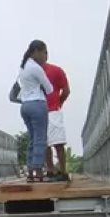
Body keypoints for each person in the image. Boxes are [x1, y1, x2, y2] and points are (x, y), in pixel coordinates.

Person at [17, 40, 53, 182]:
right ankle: (38, 170)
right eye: (44, 53)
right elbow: (49, 88)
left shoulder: (23, 66)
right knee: (40, 139)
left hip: (25, 106)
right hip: (37, 104)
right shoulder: (36, 68)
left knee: (32, 139)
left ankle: (30, 171)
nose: (46, 57)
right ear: (36, 51)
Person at [42, 51, 71, 181]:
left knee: (57, 142)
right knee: (44, 143)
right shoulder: (31, 72)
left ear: (46, 54)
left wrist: (58, 102)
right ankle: (51, 170)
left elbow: (66, 90)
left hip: (53, 110)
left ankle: (62, 171)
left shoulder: (56, 70)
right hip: (41, 111)